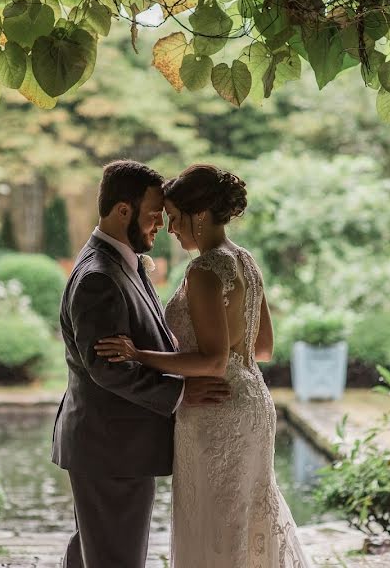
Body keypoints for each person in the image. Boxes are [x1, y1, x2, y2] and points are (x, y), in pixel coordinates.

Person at [96, 164, 310, 567]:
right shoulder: (244, 260)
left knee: (215, 520)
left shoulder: (204, 270)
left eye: (175, 219)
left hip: (215, 409)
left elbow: (212, 362)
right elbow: (261, 347)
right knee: (245, 514)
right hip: (251, 399)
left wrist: (139, 355)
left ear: (199, 216)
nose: (170, 229)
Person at [51, 159, 231, 568]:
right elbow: (108, 368)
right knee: (116, 558)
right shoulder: (99, 275)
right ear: (122, 211)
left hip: (113, 447)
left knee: (94, 553)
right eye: (153, 215)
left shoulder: (122, 262)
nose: (159, 225)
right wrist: (182, 392)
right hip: (111, 448)